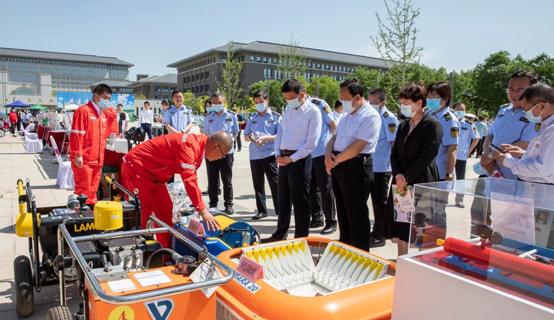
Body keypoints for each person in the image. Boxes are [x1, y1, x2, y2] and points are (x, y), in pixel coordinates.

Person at [121, 131, 233, 248]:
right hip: (137, 167)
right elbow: (189, 179)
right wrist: (202, 210)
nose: (221, 158)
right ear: (215, 146)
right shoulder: (189, 146)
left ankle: (166, 251)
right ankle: (143, 252)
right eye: (222, 154)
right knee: (144, 213)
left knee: (164, 210)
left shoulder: (198, 147)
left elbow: (192, 178)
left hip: (154, 176)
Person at [384, 82, 442, 256]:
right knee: (401, 222)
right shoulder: (403, 125)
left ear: (419, 103)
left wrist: (406, 177)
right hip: (401, 181)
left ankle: (418, 261)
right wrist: (398, 175)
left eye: (407, 104)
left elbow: (427, 156)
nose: (403, 107)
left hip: (421, 179)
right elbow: (394, 152)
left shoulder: (433, 125)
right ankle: (401, 259)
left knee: (419, 224)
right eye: (401, 103)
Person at [263, 79, 322, 243]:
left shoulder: (313, 112)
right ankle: (280, 232)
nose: (289, 101)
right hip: (283, 157)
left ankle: (301, 238)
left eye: (291, 97)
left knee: (300, 201)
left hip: (300, 159)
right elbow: (280, 132)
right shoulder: (288, 109)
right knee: (283, 199)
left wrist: (291, 158)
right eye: (286, 98)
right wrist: (277, 153)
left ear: (302, 93)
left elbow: (311, 143)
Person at [325, 79, 380, 251]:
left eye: (345, 99)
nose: (343, 102)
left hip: (356, 166)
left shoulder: (370, 116)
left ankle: (361, 253)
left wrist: (334, 160)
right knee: (342, 210)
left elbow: (358, 146)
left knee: (356, 213)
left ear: (357, 97)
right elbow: (334, 137)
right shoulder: (347, 115)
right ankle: (346, 247)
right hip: (339, 164)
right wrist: (328, 156)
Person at [480, 71, 540, 179]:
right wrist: (487, 157)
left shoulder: (535, 114)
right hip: (492, 171)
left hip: (514, 175)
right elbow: (490, 136)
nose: (514, 93)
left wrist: (491, 156)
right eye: (511, 89)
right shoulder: (503, 110)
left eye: (520, 89)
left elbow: (526, 144)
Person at [495, 83, 554, 185]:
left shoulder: (551, 130)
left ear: (541, 106)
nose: (526, 114)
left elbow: (542, 168)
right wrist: (523, 154)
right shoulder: (546, 126)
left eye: (527, 110)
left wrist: (508, 161)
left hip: (546, 189)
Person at [70, 84, 113, 204]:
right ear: (96, 96)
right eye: (105, 98)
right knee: (84, 192)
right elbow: (77, 135)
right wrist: (77, 154)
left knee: (93, 191)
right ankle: (82, 216)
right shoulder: (83, 111)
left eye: (109, 99)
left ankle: (92, 216)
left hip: (97, 160)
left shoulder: (102, 114)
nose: (107, 101)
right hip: (85, 160)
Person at [368, 88, 398, 248]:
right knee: (373, 202)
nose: (370, 105)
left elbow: (394, 145)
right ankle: (375, 231)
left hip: (382, 167)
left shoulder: (388, 119)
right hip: (371, 166)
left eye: (374, 102)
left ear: (383, 103)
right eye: (369, 101)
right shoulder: (373, 116)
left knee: (380, 203)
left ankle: (380, 235)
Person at [244, 90, 281, 219]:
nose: (259, 104)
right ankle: (261, 210)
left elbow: (281, 136)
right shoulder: (252, 118)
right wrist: (252, 137)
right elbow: (246, 136)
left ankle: (279, 210)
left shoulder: (276, 117)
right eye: (256, 102)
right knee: (258, 184)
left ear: (267, 101)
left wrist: (266, 138)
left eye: (261, 102)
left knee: (275, 184)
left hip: (269, 154)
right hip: (255, 155)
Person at [203, 92, 239, 215]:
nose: (217, 105)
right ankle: (213, 204)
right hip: (212, 153)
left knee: (227, 180)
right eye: (214, 103)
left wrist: (228, 145)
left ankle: (228, 204)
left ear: (223, 102)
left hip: (226, 153)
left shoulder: (231, 116)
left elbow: (235, 132)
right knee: (212, 180)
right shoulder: (208, 118)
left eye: (219, 103)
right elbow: (206, 135)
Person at [308, 95, 337, 235]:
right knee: (311, 188)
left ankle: (331, 221)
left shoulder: (319, 104)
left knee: (325, 187)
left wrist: (332, 150)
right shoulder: (295, 109)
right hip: (307, 153)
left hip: (321, 152)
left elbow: (333, 127)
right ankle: (317, 217)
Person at [427, 81, 459, 181]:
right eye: (428, 97)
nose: (430, 100)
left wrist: (449, 175)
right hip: (426, 171)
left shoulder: (449, 121)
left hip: (440, 173)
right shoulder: (428, 114)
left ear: (445, 99)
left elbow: (452, 150)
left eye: (434, 97)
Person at [453, 102, 480, 208]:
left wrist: (469, 151)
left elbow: (476, 138)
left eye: (462, 109)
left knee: (460, 179)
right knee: (445, 177)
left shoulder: (469, 124)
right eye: (458, 109)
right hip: (448, 155)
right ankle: (442, 198)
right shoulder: (450, 121)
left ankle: (459, 199)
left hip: (461, 156)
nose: (460, 111)